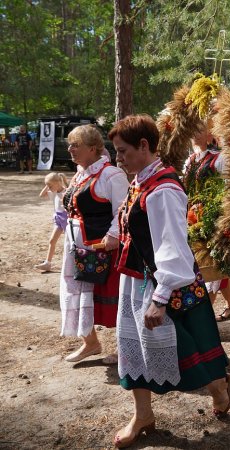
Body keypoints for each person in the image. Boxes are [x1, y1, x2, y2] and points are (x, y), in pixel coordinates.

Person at [109, 114, 230, 449]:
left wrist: (160, 297)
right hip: (139, 279)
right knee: (135, 348)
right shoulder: (141, 180)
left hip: (166, 284)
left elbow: (173, 247)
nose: (117, 158)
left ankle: (221, 392)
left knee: (195, 346)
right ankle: (143, 415)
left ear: (144, 146)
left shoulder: (162, 189)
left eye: (122, 151)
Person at [60, 125, 128, 363]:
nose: (70, 149)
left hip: (101, 249)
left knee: (114, 298)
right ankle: (90, 343)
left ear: (92, 148)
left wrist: (113, 236)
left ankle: (125, 349)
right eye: (69, 144)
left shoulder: (111, 175)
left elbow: (122, 210)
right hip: (77, 246)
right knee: (76, 293)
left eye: (75, 145)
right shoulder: (81, 173)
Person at [184, 126, 230, 321]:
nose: (194, 133)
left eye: (199, 129)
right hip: (191, 218)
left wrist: (225, 218)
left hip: (212, 219)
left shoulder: (219, 159)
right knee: (208, 265)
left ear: (209, 134)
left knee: (211, 266)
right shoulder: (190, 160)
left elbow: (229, 189)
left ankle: (202, 319)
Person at [34, 172, 69, 272]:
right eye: (47, 185)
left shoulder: (66, 192)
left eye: (50, 185)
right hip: (58, 220)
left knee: (69, 243)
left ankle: (70, 264)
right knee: (52, 241)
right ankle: (47, 263)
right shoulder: (53, 193)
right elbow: (41, 195)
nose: (48, 188)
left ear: (58, 183)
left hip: (66, 220)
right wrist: (48, 185)